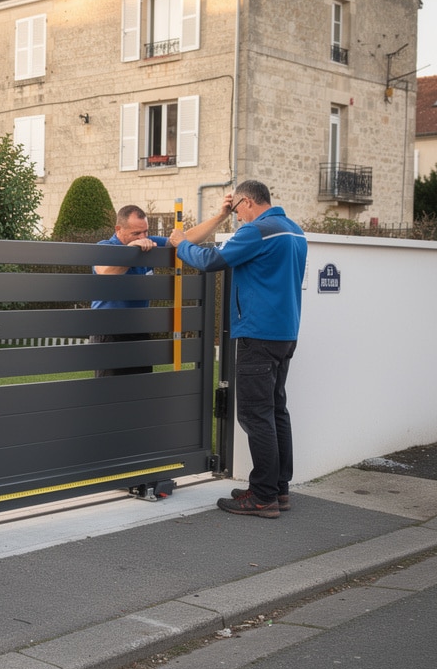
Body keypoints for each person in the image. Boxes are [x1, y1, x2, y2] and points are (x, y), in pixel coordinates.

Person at [169, 180, 308, 518]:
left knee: (255, 415)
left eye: (237, 211)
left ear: (246, 202)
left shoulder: (259, 231)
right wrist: (221, 215)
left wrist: (179, 244)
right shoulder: (294, 231)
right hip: (285, 333)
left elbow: (212, 259)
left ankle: (262, 497)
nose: (238, 219)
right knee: (275, 411)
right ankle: (278, 490)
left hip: (257, 335)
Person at [90, 204, 170, 376]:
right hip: (109, 332)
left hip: (139, 330)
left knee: (141, 392)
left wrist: (221, 215)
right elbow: (105, 273)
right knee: (110, 395)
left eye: (145, 232)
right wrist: (132, 252)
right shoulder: (105, 246)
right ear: (118, 229)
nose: (143, 237)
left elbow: (184, 240)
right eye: (136, 233)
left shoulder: (149, 245)